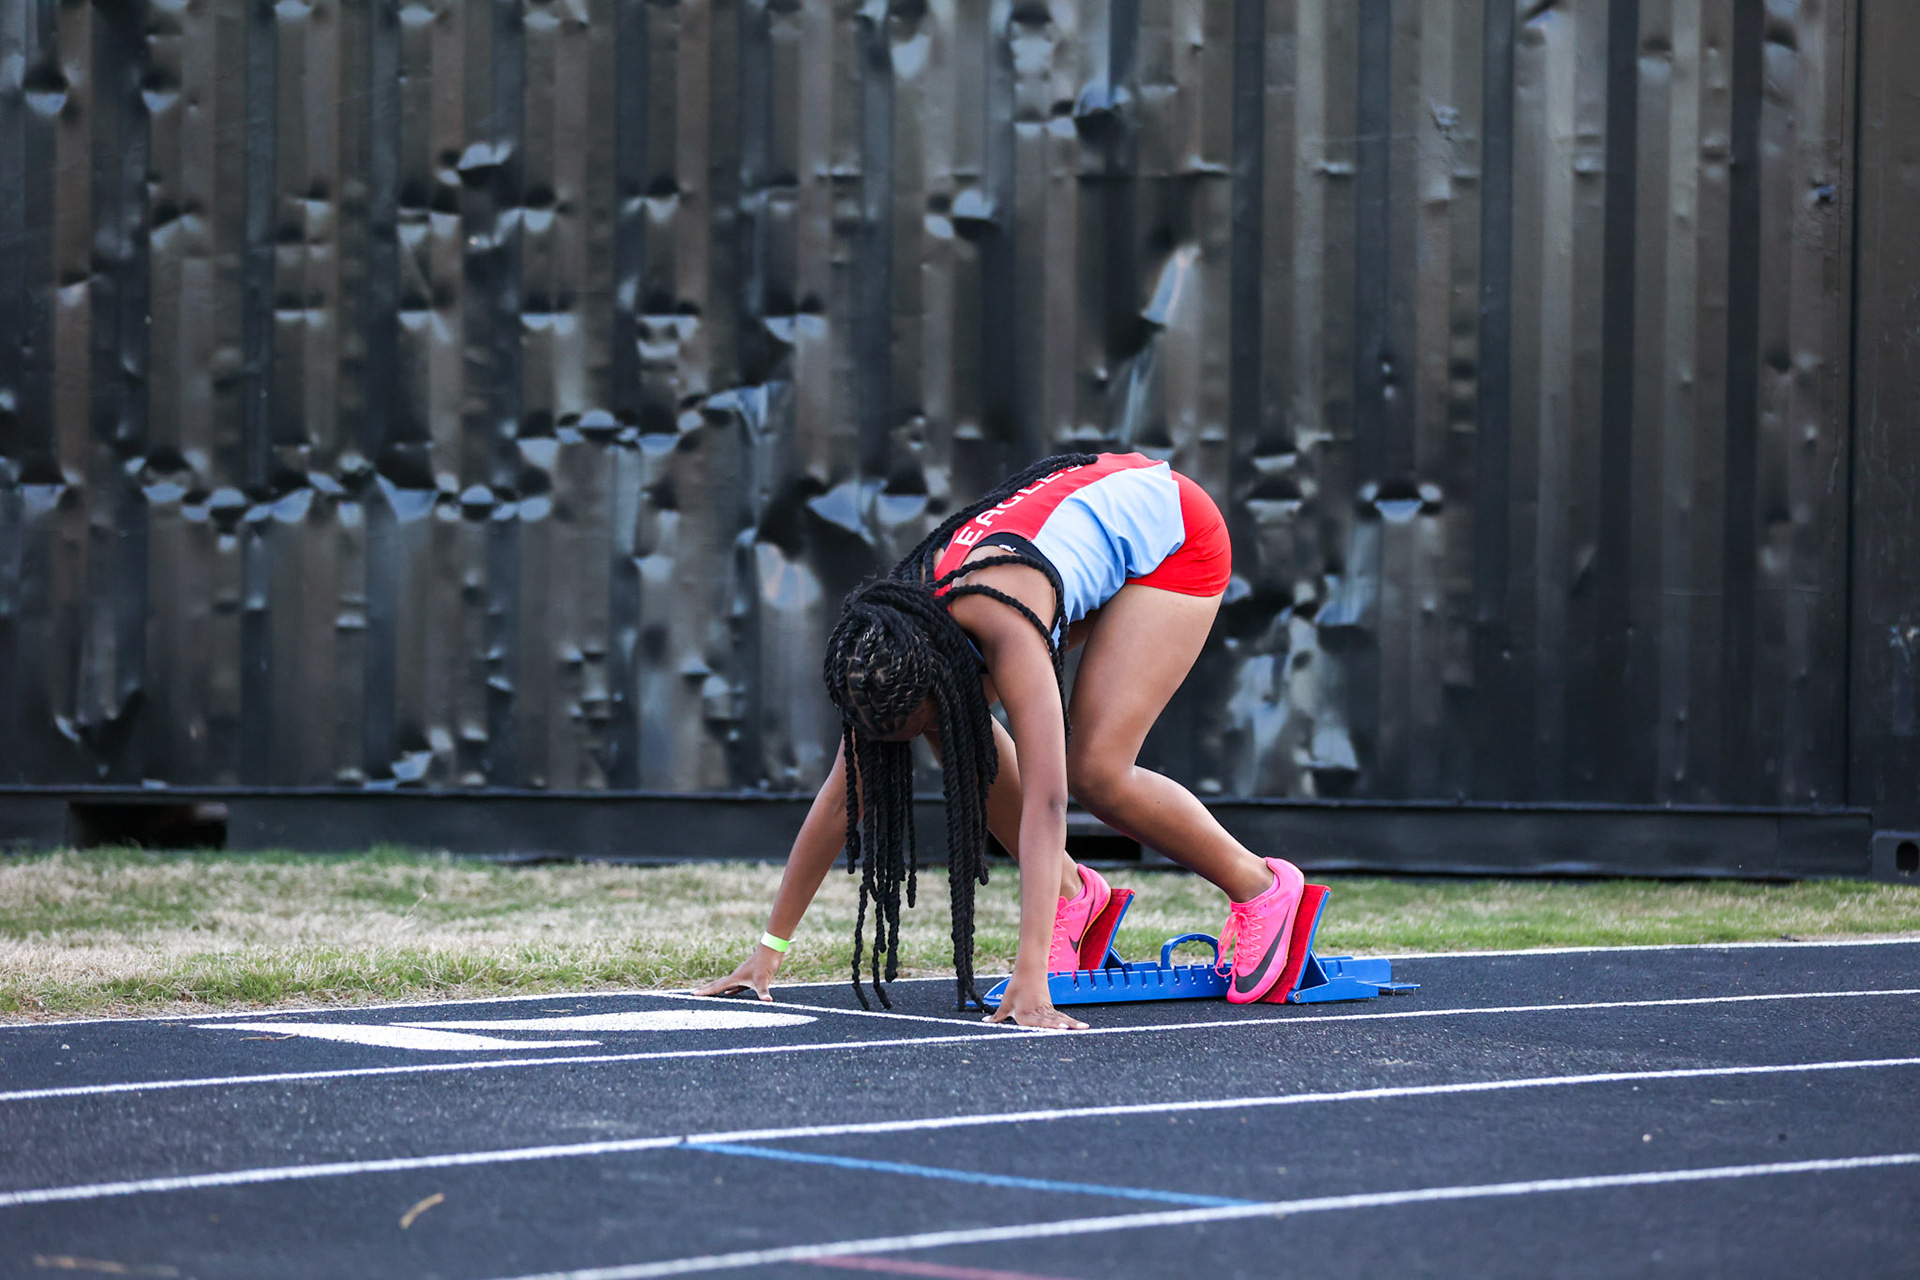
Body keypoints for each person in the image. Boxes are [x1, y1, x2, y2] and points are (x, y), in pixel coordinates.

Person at [693, 452, 1306, 1029]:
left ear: (943, 677)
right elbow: (839, 799)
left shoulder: (1006, 622)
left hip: (1174, 534)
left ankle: (1261, 886)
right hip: (1076, 530)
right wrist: (767, 952)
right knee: (955, 734)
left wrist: (1030, 972)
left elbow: (1048, 799)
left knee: (1096, 771)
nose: (900, 755)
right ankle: (1074, 893)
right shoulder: (894, 640)